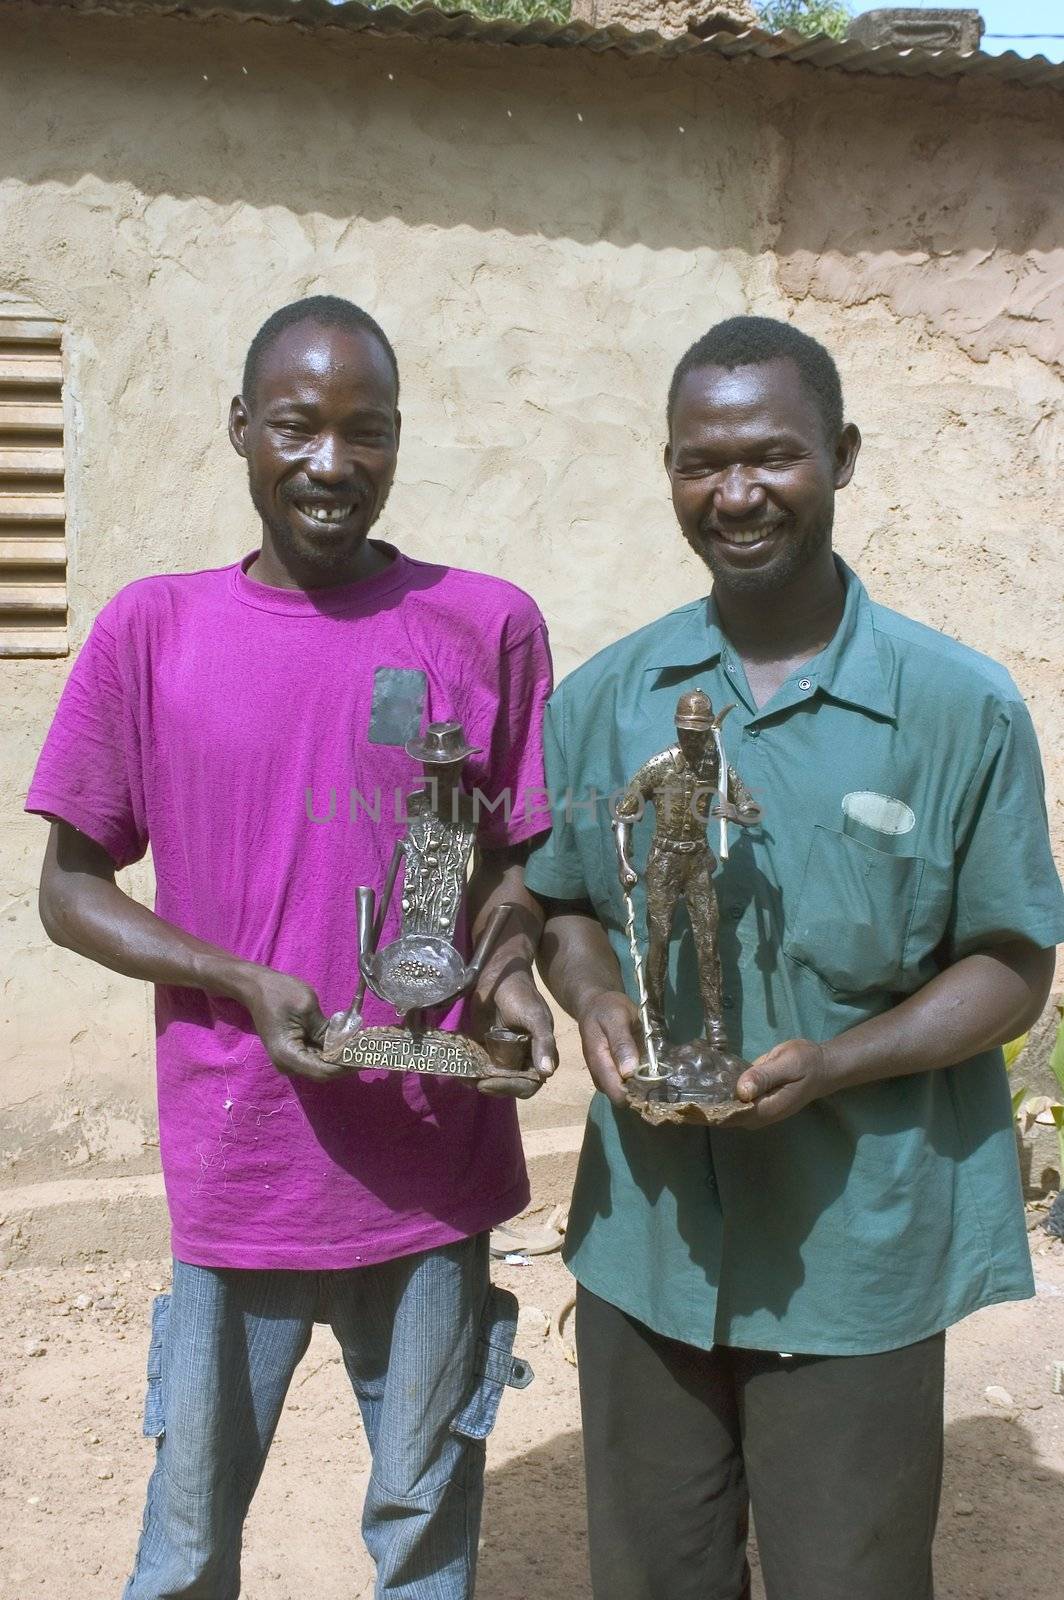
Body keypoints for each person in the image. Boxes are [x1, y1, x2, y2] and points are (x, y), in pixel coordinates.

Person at [524, 316, 1064, 1600]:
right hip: (649, 1239)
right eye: (699, 462)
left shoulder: (955, 708)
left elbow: (1008, 961)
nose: (735, 492)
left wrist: (835, 1062)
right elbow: (559, 901)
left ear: (842, 456)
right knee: (652, 1576)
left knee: (849, 1577)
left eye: (771, 455)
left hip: (856, 1250)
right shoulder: (608, 696)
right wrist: (592, 994)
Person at [27, 296, 556, 1600]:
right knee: (188, 1546)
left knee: (424, 1542)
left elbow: (518, 864)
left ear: (396, 443)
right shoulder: (155, 633)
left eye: (365, 431)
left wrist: (507, 978)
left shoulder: (485, 625)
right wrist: (237, 978)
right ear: (240, 432)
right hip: (241, 1168)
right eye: (297, 427)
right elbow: (70, 889)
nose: (331, 463)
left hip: (435, 1172)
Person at [613, 687, 761, 1051]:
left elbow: (753, 811)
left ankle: (715, 1025)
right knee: (659, 944)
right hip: (663, 862)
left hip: (697, 861)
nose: (690, 739)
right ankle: (657, 1022)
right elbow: (622, 815)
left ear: (709, 730)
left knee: (708, 944)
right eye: (685, 732)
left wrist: (736, 814)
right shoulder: (659, 766)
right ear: (678, 730)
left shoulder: (718, 766)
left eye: (697, 733)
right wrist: (624, 862)